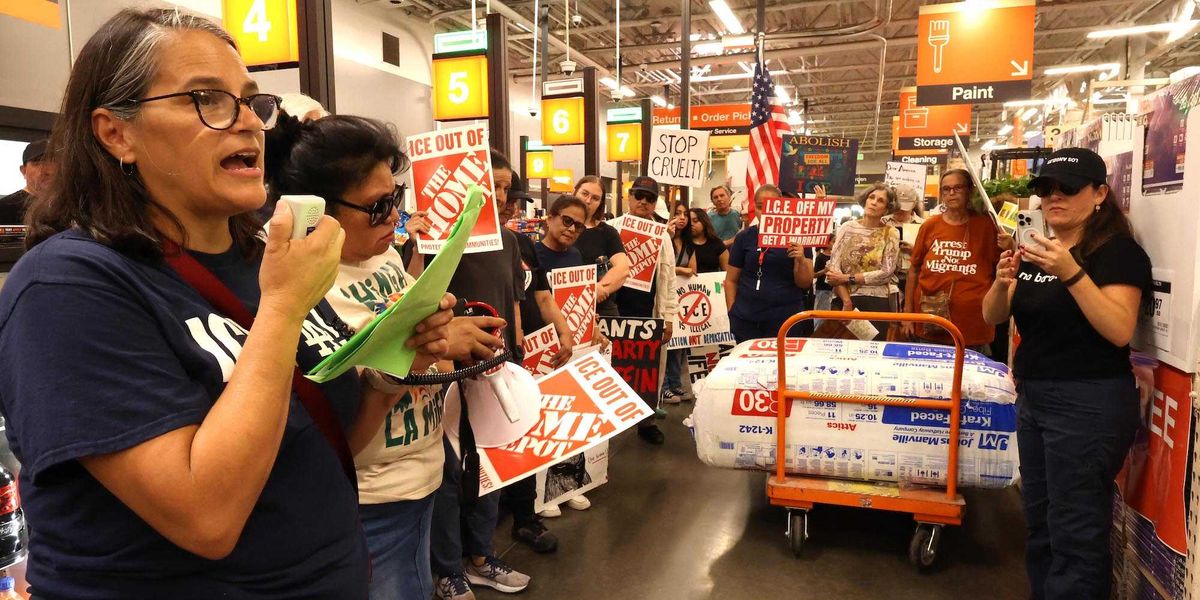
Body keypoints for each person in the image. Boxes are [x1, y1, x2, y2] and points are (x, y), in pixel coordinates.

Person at [0, 9, 456, 597]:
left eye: (248, 100)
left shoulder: (259, 257)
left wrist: (396, 368)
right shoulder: (67, 287)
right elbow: (205, 518)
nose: (249, 123)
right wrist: (285, 307)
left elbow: (331, 436)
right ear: (117, 132)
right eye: (207, 99)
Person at [265, 112, 510, 600]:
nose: (394, 219)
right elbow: (325, 425)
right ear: (316, 209)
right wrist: (420, 350)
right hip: (368, 498)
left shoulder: (387, 258)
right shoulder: (296, 284)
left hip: (421, 476)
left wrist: (449, 348)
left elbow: (422, 365)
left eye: (395, 201)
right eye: (377, 208)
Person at [982, 148, 1150, 600]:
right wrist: (1002, 282)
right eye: (1045, 189)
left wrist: (1072, 272)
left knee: (1076, 529)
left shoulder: (1118, 253)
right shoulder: (1038, 250)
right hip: (1035, 397)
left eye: (1067, 188)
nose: (1053, 197)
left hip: (1088, 403)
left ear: (1099, 194)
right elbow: (993, 316)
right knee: (1040, 522)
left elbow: (1118, 329)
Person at [429, 150, 532, 600]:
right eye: (494, 184)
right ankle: (448, 567)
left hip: (494, 369)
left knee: (491, 466)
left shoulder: (509, 242)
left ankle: (479, 557)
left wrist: (515, 354)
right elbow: (415, 299)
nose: (502, 195)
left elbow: (511, 302)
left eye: (507, 186)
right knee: (450, 476)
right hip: (445, 373)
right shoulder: (439, 238)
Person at [902, 169, 1007, 354]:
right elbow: (914, 270)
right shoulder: (930, 225)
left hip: (973, 329)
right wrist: (908, 314)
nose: (951, 193)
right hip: (929, 324)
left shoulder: (987, 226)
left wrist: (1010, 244)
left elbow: (1004, 267)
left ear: (969, 190)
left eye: (957, 188)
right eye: (946, 189)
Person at [616, 176, 678, 444]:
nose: (643, 202)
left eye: (649, 198)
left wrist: (669, 318)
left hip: (649, 312)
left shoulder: (662, 236)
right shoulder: (612, 229)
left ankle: (647, 420)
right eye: (638, 196)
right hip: (616, 311)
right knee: (614, 369)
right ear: (629, 197)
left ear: (656, 203)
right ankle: (612, 424)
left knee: (648, 371)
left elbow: (670, 278)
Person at [726, 184, 815, 342]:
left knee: (783, 365)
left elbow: (805, 283)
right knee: (748, 365)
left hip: (786, 318)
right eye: (761, 207)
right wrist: (732, 311)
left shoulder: (798, 238)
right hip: (746, 318)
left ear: (782, 207)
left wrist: (800, 259)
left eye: (772, 206)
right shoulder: (744, 237)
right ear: (755, 207)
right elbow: (731, 280)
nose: (766, 212)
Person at [826, 183, 900, 340]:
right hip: (843, 299)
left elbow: (886, 273)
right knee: (838, 353)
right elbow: (834, 269)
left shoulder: (891, 233)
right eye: (871, 197)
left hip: (876, 303)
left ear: (887, 209)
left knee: (872, 354)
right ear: (865, 200)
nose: (873, 202)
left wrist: (847, 278)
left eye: (880, 200)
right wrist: (846, 302)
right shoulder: (847, 227)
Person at [573, 175, 630, 316]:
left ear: (600, 203)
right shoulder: (560, 228)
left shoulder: (607, 232)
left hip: (602, 310)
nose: (587, 201)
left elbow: (622, 268)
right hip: (568, 310)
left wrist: (597, 289)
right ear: (575, 192)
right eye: (584, 193)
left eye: (595, 198)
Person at [661, 202, 697, 405]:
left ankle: (675, 384)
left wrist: (681, 270)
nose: (682, 217)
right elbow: (663, 268)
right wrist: (681, 270)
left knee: (678, 346)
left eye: (685, 214)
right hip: (665, 298)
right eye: (678, 213)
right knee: (666, 345)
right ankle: (664, 387)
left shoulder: (689, 244)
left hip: (683, 298)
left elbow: (693, 269)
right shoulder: (663, 238)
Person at [881, 184, 926, 301]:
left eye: (904, 207)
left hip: (915, 277)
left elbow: (932, 255)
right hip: (888, 279)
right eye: (897, 206)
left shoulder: (924, 225)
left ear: (914, 204)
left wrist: (915, 250)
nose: (900, 210)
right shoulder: (882, 223)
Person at [0, 139, 55, 224]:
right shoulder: (5, 207)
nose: (46, 170)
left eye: (53, 162)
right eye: (37, 163)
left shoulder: (68, 208)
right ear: (24, 171)